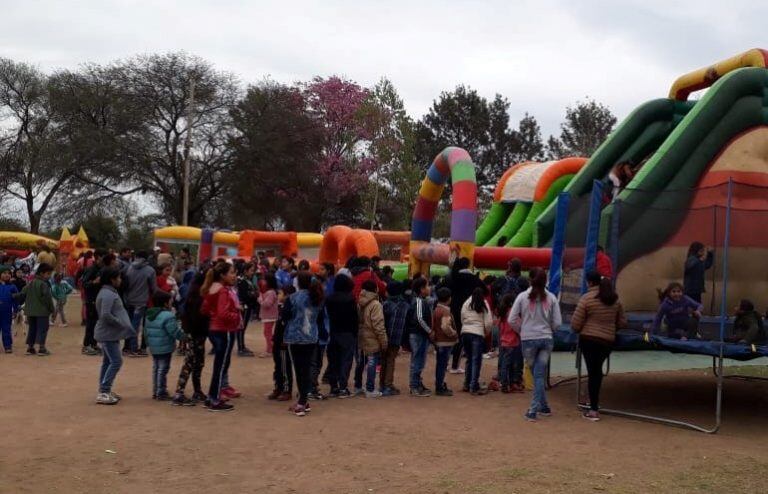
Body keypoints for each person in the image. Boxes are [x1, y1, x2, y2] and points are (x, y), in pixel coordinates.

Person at [570, 271, 627, 422]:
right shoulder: (615, 300)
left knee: (592, 372)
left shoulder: (586, 299)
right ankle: (592, 403)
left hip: (588, 340)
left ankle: (593, 409)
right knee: (597, 372)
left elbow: (575, 324)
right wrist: (610, 328)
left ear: (589, 282)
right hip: (606, 341)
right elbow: (622, 322)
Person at [509, 268, 562, 422]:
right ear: (546, 280)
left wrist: (522, 330)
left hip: (528, 340)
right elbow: (557, 322)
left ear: (530, 279)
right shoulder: (551, 297)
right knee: (539, 375)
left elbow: (511, 319)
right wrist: (548, 330)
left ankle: (533, 410)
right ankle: (543, 406)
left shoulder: (522, 297)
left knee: (537, 374)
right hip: (546, 340)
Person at [201, 261, 242, 412]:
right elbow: (223, 313)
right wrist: (237, 312)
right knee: (221, 366)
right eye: (231, 272)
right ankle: (214, 399)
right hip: (223, 330)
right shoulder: (223, 290)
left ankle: (212, 396)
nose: (234, 275)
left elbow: (205, 308)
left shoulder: (212, 287)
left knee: (219, 365)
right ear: (223, 275)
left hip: (214, 329)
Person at [283, 271, 325, 416]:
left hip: (295, 337)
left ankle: (302, 401)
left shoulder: (292, 298)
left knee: (299, 369)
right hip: (311, 336)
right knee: (306, 368)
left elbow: (285, 316)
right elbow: (320, 318)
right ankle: (303, 400)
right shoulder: (317, 297)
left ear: (298, 283)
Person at [94, 267, 136, 405]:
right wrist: (121, 323)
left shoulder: (108, 292)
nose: (120, 280)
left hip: (110, 334)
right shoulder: (107, 294)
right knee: (116, 361)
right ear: (112, 279)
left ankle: (104, 390)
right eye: (118, 277)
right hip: (108, 334)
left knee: (108, 361)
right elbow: (105, 314)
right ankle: (104, 391)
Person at [442, 257, 485, 374]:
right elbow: (485, 290)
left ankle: (444, 364)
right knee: (461, 338)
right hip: (468, 310)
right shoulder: (473, 278)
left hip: (452, 309)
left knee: (450, 335)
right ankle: (455, 365)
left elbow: (441, 290)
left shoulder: (451, 277)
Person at [172, 273, 209, 406]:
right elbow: (198, 319)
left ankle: (195, 391)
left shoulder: (192, 297)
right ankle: (180, 392)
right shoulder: (198, 299)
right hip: (197, 334)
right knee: (191, 362)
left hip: (194, 334)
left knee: (196, 362)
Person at [144, 291, 185, 401]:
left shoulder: (149, 314)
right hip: (165, 347)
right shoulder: (168, 316)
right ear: (165, 303)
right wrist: (184, 337)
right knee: (163, 369)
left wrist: (148, 343)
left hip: (154, 347)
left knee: (156, 368)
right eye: (170, 301)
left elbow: (145, 331)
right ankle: (161, 391)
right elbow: (174, 331)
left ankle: (156, 390)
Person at [324, 274, 358, 398]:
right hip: (348, 332)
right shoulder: (350, 299)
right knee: (346, 360)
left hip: (334, 331)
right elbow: (355, 317)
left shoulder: (329, 298)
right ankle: (343, 387)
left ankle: (334, 387)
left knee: (334, 360)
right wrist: (355, 332)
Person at [123, 251, 158, 356]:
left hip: (129, 300)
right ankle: (137, 348)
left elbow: (126, 284)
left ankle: (127, 347)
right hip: (142, 302)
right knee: (140, 325)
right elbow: (153, 288)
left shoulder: (129, 268)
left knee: (130, 323)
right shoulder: (150, 270)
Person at [460, 286, 493, 395]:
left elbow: (462, 317)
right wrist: (486, 332)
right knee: (476, 361)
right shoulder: (483, 303)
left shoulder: (466, 303)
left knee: (469, 359)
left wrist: (465, 326)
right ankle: (474, 386)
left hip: (465, 333)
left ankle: (467, 383)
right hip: (477, 334)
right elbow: (488, 322)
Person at [358, 280, 388, 399]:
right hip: (373, 337)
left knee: (363, 362)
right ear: (375, 289)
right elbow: (378, 325)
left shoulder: (360, 302)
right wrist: (384, 341)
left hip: (363, 336)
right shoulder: (375, 304)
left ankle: (359, 385)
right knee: (372, 363)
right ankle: (370, 388)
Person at [380, 281, 409, 396]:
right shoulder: (405, 305)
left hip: (385, 336)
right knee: (391, 360)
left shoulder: (386, 304)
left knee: (384, 360)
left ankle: (383, 385)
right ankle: (388, 385)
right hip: (397, 337)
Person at [267, 285, 295, 402]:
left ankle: (286, 390)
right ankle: (278, 387)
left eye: (280, 293)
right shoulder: (282, 307)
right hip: (278, 341)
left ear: (287, 295)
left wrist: (284, 340)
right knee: (278, 366)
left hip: (284, 342)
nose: (278, 295)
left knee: (284, 366)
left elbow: (287, 326)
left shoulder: (290, 308)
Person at [407, 277, 433, 397]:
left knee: (419, 361)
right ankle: (414, 386)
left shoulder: (421, 301)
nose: (430, 288)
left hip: (420, 334)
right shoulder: (418, 301)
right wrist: (429, 331)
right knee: (417, 361)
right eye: (427, 286)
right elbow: (419, 318)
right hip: (418, 335)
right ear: (421, 289)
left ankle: (417, 384)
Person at [23, 263, 55, 356]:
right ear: (41, 273)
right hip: (42, 312)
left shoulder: (31, 282)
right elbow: (47, 299)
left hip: (30, 311)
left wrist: (13, 296)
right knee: (42, 329)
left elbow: (23, 293)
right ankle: (42, 348)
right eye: (48, 274)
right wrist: (52, 310)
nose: (49, 276)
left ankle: (30, 347)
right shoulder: (44, 284)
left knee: (32, 328)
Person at [432, 287, 458, 396]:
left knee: (440, 364)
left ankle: (440, 384)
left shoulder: (436, 309)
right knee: (443, 365)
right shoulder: (445, 311)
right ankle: (440, 386)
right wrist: (454, 333)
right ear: (449, 298)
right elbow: (446, 326)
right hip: (445, 341)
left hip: (438, 341)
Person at [496, 293, 524, 393]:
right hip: (512, 342)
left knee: (506, 364)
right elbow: (519, 326)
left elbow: (498, 326)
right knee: (510, 365)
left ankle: (507, 383)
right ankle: (507, 384)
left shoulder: (502, 313)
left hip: (504, 342)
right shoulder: (512, 313)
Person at [81, 249, 107, 356]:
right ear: (97, 257)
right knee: (91, 324)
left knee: (96, 323)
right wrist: (94, 282)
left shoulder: (102, 269)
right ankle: (86, 345)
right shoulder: (91, 269)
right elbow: (84, 283)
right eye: (102, 257)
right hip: (91, 300)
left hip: (98, 299)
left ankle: (93, 344)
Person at [235, 262, 257, 357]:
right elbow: (245, 295)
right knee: (241, 328)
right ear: (245, 271)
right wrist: (253, 295)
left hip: (248, 307)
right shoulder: (242, 280)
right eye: (251, 270)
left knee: (243, 328)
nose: (253, 272)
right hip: (244, 307)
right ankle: (240, 348)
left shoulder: (247, 280)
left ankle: (242, 346)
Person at [258, 273, 279, 357]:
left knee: (268, 333)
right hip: (268, 316)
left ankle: (269, 350)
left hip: (269, 316)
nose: (263, 281)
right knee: (267, 332)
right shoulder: (269, 291)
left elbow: (267, 304)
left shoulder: (271, 292)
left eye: (264, 279)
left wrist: (259, 299)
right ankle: (271, 347)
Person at [0, 267, 19, 353]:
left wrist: (15, 310)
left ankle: (8, 346)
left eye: (8, 273)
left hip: (6, 312)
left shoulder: (12, 287)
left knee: (6, 329)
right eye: (4, 273)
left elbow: (16, 300)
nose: (7, 275)